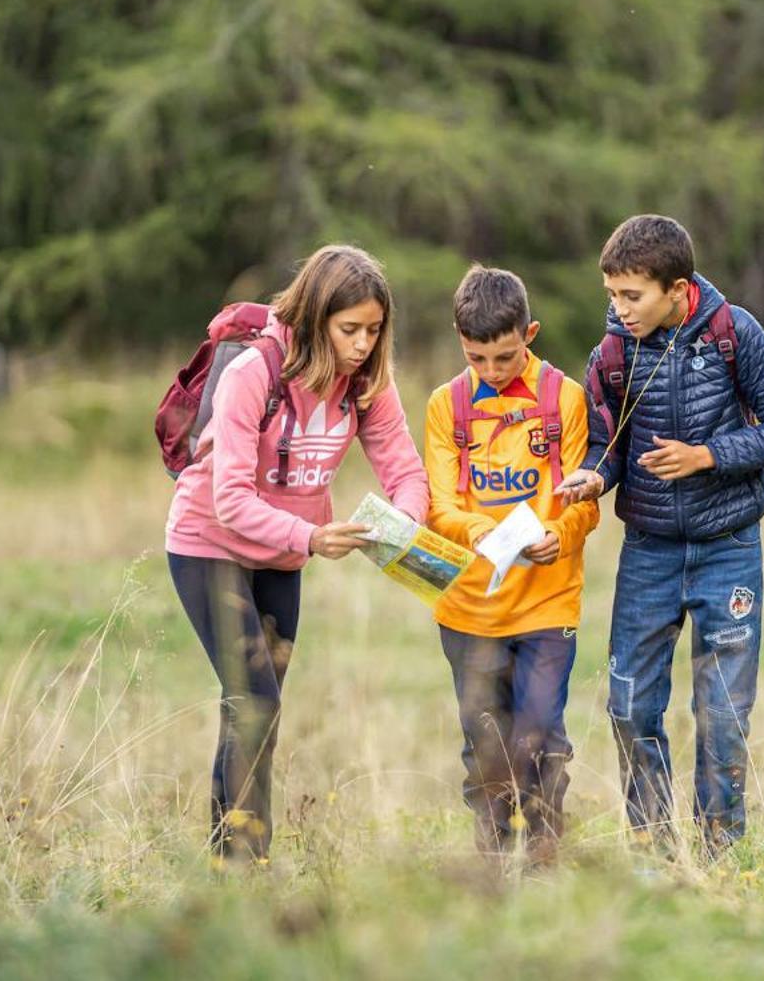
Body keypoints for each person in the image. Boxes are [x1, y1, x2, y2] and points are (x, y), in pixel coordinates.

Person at [163, 244, 429, 862]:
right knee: (256, 701)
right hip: (210, 544)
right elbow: (229, 499)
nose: (362, 344)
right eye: (349, 330)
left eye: (373, 329)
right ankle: (246, 861)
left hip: (281, 560)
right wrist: (311, 537)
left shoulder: (365, 381)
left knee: (252, 707)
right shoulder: (252, 373)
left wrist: (405, 524)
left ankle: (226, 855)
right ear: (314, 319)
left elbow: (405, 471)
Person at [554, 215, 764, 852]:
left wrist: (706, 456)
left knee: (723, 715)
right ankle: (654, 852)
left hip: (730, 547)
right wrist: (592, 477)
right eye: (611, 294)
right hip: (649, 552)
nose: (618, 309)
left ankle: (721, 855)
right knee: (629, 706)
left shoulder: (733, 332)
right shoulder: (610, 354)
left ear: (677, 287)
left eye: (631, 296)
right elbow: (607, 448)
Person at [423, 266, 598, 865]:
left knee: (542, 732)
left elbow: (584, 499)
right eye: (478, 358)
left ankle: (545, 852)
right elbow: (441, 507)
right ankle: (492, 861)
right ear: (459, 340)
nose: (492, 371)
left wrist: (555, 532)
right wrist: (489, 533)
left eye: (505, 356)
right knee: (485, 741)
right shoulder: (445, 407)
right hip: (469, 606)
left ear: (531, 333)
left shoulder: (565, 399)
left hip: (549, 601)